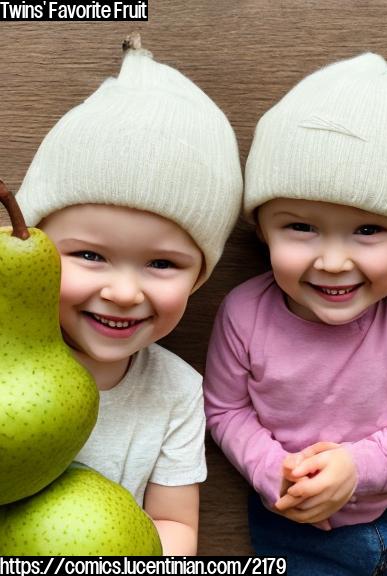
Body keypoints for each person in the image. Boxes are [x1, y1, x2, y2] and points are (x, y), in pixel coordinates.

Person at [203, 52, 387, 575]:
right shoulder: (243, 313)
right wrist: (271, 469)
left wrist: (358, 465)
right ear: (262, 230)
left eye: (368, 230)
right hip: (297, 531)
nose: (332, 261)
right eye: (300, 227)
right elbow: (226, 412)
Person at [15, 35, 243, 555]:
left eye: (161, 264)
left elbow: (174, 525)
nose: (122, 292)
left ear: (199, 278)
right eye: (90, 256)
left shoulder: (177, 392)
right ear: (38, 252)